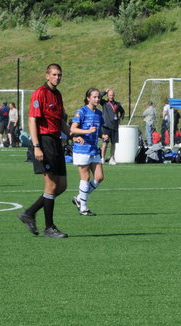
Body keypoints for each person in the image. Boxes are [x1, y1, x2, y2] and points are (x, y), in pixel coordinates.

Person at [17, 63, 77, 238]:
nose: (57, 77)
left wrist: (72, 134)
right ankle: (49, 228)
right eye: (54, 74)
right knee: (51, 185)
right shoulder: (40, 93)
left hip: (56, 141)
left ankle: (29, 212)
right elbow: (32, 120)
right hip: (44, 141)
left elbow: (60, 121)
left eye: (59, 75)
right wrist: (36, 146)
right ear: (47, 76)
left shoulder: (58, 95)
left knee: (62, 185)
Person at [70, 88, 105, 216]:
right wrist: (87, 131)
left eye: (98, 97)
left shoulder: (99, 113)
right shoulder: (81, 111)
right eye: (94, 97)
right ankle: (83, 208)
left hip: (94, 149)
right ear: (88, 98)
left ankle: (79, 198)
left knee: (99, 177)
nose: (97, 99)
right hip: (82, 149)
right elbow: (73, 129)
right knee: (85, 177)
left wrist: (102, 135)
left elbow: (97, 130)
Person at [100, 88, 125, 165]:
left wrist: (120, 118)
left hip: (114, 126)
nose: (111, 96)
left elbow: (122, 112)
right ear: (107, 96)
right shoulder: (104, 103)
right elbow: (99, 97)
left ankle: (112, 158)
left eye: (112, 95)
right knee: (105, 143)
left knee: (113, 143)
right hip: (106, 126)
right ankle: (102, 158)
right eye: (110, 95)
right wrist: (105, 92)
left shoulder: (117, 104)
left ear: (114, 95)